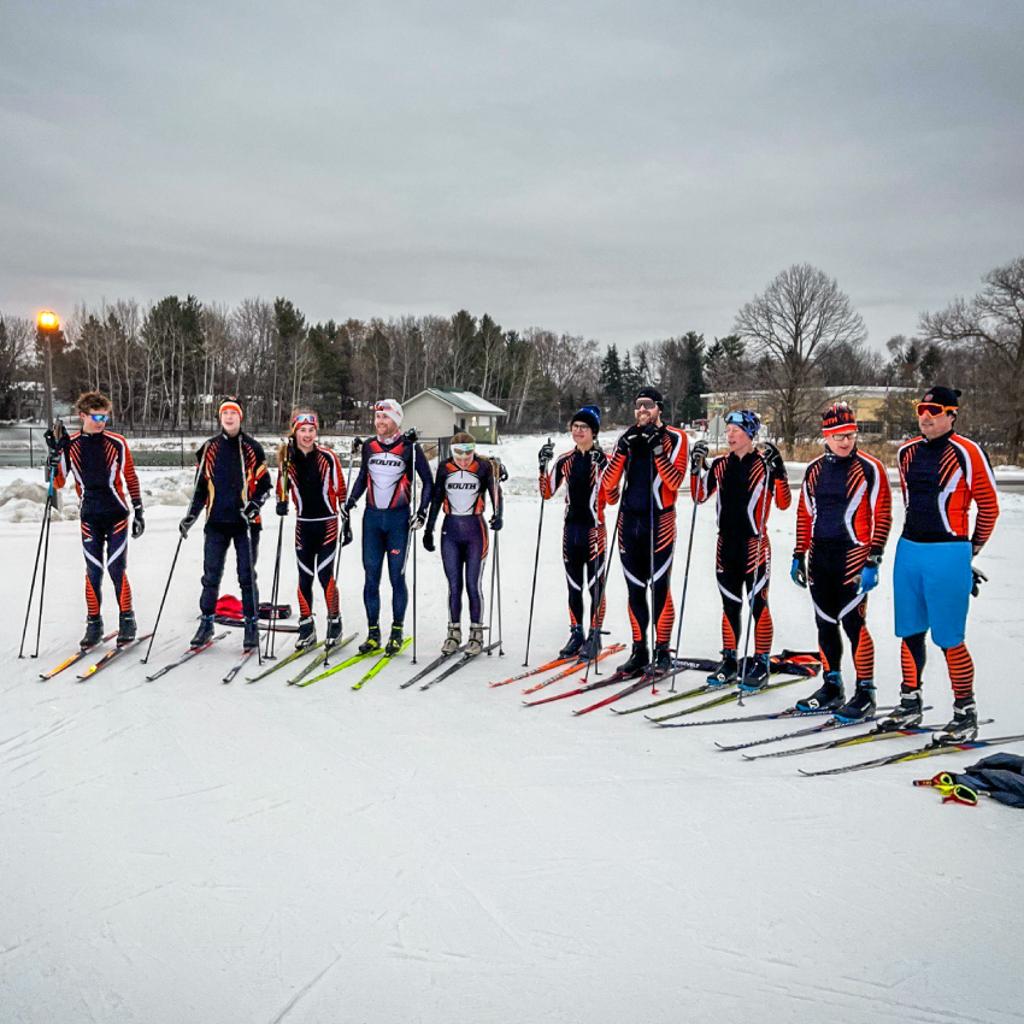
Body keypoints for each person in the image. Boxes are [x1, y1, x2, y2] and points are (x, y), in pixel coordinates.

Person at [884, 386, 999, 741]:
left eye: (934, 411)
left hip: (948, 552)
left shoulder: (967, 451)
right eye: (921, 409)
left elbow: (989, 506)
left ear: (952, 415)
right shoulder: (906, 452)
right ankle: (909, 702)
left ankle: (965, 713)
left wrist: (969, 552)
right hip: (909, 551)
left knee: (949, 637)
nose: (926, 416)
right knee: (909, 631)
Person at [790, 403, 892, 719]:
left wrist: (873, 558)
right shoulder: (814, 470)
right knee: (824, 622)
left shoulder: (870, 468)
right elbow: (805, 514)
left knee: (853, 623)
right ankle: (832, 686)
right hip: (820, 556)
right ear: (826, 436)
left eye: (850, 434)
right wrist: (798, 554)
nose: (845, 441)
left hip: (854, 556)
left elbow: (883, 515)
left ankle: (866, 692)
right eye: (838, 436)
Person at [690, 409, 791, 690]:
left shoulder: (764, 465)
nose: (730, 435)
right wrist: (696, 467)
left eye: (736, 430)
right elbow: (698, 495)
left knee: (758, 604)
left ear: (749, 434)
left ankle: (761, 662)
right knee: (730, 605)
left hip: (754, 545)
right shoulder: (721, 464)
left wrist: (780, 470)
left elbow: (784, 503)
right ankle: (730, 661)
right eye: (728, 430)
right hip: (726, 545)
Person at [601, 386, 690, 674]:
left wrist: (657, 451)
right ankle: (640, 650)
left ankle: (662, 651)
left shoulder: (676, 437)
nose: (642, 410)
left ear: (659, 408)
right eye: (638, 405)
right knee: (635, 590)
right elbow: (608, 484)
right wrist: (622, 450)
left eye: (648, 405)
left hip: (659, 522)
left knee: (660, 588)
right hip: (629, 523)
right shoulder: (627, 437)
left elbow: (674, 482)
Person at [46, 391, 144, 648]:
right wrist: (53, 458)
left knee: (116, 567)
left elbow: (130, 476)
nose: (101, 422)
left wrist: (139, 509)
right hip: (89, 516)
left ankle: (127, 620)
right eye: (96, 417)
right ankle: (93, 623)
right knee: (93, 570)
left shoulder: (117, 442)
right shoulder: (71, 444)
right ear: (83, 416)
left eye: (105, 417)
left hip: (117, 514)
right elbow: (57, 481)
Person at [179, 398, 271, 650]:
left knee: (246, 576)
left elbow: (265, 486)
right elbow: (200, 489)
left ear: (241, 417)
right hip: (216, 522)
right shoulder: (209, 448)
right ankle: (206, 623)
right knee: (211, 576)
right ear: (220, 418)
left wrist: (254, 506)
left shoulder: (252, 448)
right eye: (225, 413)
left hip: (245, 523)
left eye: (234, 413)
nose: (229, 417)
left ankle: (251, 624)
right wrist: (191, 516)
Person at [342, 399, 432, 655]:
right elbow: (363, 477)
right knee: (371, 578)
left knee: (396, 577)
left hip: (397, 521)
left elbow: (428, 482)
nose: (380, 421)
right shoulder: (369, 446)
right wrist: (350, 500)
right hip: (372, 520)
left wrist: (422, 512)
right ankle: (373, 633)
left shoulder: (409, 447)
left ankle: (396, 631)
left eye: (385, 417)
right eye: (377, 417)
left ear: (397, 420)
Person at [538, 405, 609, 661]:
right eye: (575, 427)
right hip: (571, 531)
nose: (578, 431)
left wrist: (605, 468)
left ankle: (595, 635)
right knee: (574, 586)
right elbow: (547, 492)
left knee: (595, 586)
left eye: (584, 427)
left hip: (594, 530)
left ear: (594, 432)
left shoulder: (604, 459)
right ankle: (576, 633)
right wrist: (542, 466)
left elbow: (613, 496)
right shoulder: (565, 459)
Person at [423, 432, 502, 656]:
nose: (464, 461)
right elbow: (437, 498)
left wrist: (499, 515)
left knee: (473, 585)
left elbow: (496, 493)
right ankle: (453, 632)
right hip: (450, 531)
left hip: (476, 531)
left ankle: (476, 633)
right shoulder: (445, 468)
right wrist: (429, 529)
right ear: (452, 453)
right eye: (459, 456)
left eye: (468, 455)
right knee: (454, 585)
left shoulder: (483, 467)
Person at [275, 410, 346, 650]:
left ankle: (334, 622)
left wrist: (346, 518)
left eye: (311, 430)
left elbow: (340, 488)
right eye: (302, 430)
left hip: (328, 524)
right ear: (295, 432)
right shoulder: (287, 459)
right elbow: (281, 488)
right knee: (304, 577)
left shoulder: (328, 457)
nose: (307, 435)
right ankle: (306, 626)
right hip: (303, 525)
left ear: (317, 432)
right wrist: (281, 502)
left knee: (325, 576)